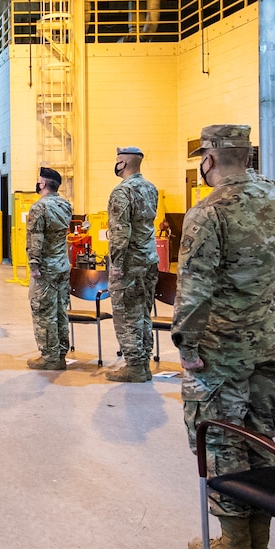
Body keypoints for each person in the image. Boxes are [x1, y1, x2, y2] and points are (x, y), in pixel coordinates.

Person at [174, 124, 275, 549]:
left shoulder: (208, 212)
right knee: (263, 436)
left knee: (221, 436)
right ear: (248, 155)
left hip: (222, 346)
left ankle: (236, 546)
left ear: (208, 159)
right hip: (271, 340)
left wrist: (187, 346)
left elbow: (195, 288)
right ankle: (260, 545)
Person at [104, 146, 160, 382]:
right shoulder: (151, 188)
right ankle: (144, 362)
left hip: (129, 262)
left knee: (126, 313)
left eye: (118, 160)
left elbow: (120, 232)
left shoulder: (122, 192)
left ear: (123, 163)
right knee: (143, 312)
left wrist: (116, 263)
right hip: (149, 259)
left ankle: (134, 367)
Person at [25, 167, 73, 370]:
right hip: (62, 265)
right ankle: (61, 352)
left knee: (44, 311)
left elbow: (36, 239)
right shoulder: (66, 205)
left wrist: (34, 264)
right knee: (61, 310)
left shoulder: (39, 207)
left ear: (43, 184)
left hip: (45, 268)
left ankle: (49, 357)